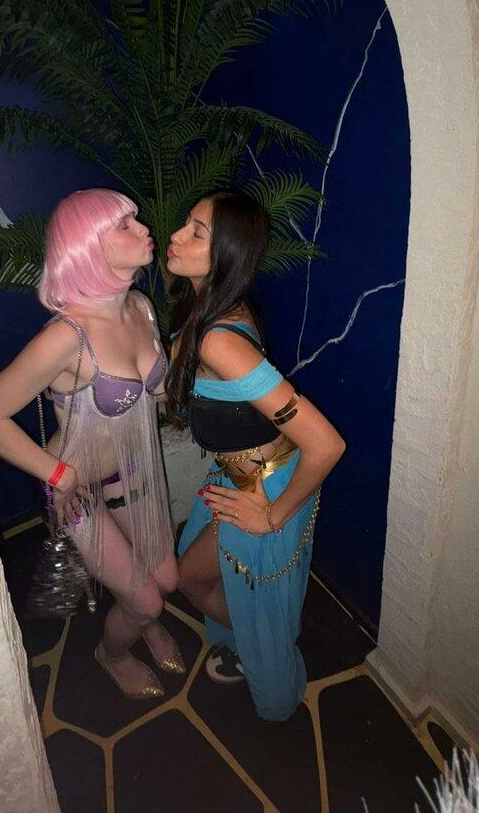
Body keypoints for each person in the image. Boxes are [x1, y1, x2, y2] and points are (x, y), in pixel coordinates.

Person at [0, 188, 181, 699]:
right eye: (125, 225)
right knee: (148, 600)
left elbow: (155, 393)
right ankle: (113, 653)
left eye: (136, 219)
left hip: (132, 468)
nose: (144, 229)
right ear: (88, 247)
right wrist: (59, 475)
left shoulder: (141, 307)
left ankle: (141, 618)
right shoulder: (66, 337)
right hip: (75, 486)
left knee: (167, 582)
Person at [167, 190, 346, 721]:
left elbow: (326, 443)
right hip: (239, 475)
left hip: (264, 489)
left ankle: (269, 672)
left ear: (225, 254)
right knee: (203, 578)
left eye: (196, 232)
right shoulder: (212, 307)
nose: (176, 236)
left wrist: (273, 516)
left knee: (198, 580)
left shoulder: (220, 341)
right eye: (186, 223)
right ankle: (253, 640)